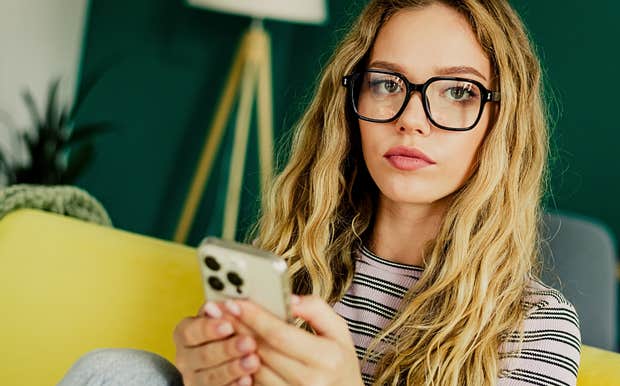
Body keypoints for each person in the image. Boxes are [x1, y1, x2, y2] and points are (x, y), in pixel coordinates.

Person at [59, 0, 581, 385]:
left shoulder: (535, 327)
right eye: (387, 83)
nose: (411, 120)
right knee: (122, 371)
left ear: (502, 122)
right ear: (351, 105)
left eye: (458, 92)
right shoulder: (292, 265)